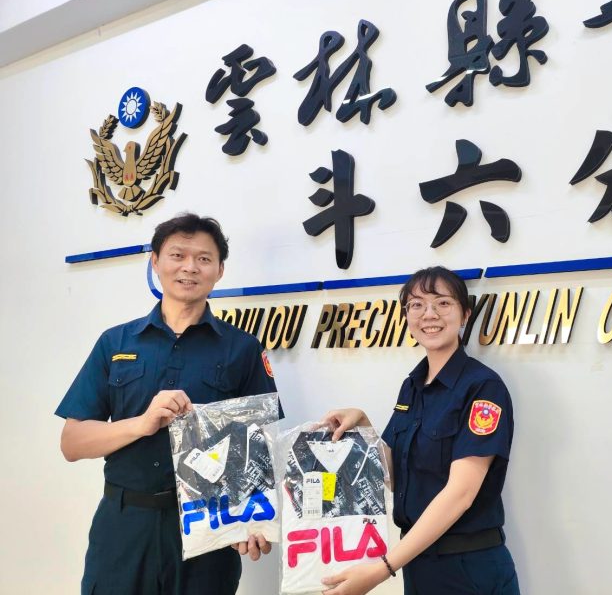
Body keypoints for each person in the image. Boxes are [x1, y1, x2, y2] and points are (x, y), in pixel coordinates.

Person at [56, 213, 277, 595]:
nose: (190, 267)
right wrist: (140, 424)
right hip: (124, 527)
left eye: (204, 259)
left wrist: (253, 520)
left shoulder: (242, 349)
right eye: (178, 255)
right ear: (155, 262)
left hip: (208, 533)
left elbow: (257, 449)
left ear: (220, 271)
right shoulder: (116, 343)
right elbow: (72, 443)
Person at [319, 266, 519, 595]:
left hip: (468, 567)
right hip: (418, 563)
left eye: (443, 303)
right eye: (416, 305)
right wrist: (364, 424)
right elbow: (393, 475)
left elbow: (461, 494)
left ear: (465, 314)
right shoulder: (412, 386)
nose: (429, 314)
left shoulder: (483, 387)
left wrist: (383, 568)